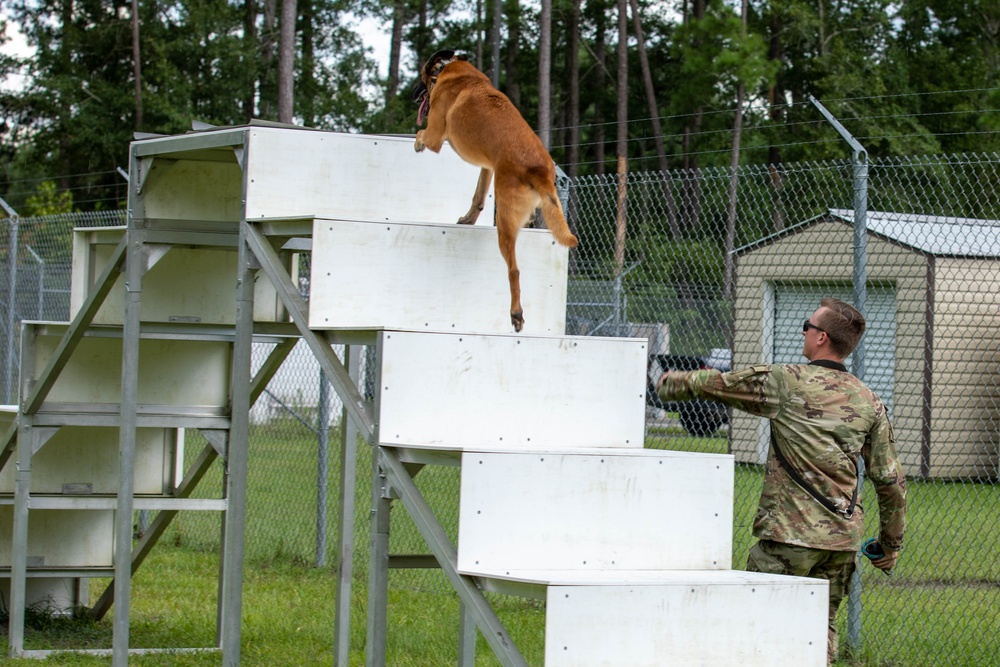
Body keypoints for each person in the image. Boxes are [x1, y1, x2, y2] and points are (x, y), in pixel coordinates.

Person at [657, 297, 906, 666]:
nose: (802, 331)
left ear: (821, 337)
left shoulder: (786, 380)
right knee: (820, 632)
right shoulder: (869, 400)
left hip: (788, 536)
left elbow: (722, 384)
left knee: (755, 630)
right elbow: (890, 480)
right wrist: (889, 545)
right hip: (840, 543)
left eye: (807, 325)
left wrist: (670, 383)